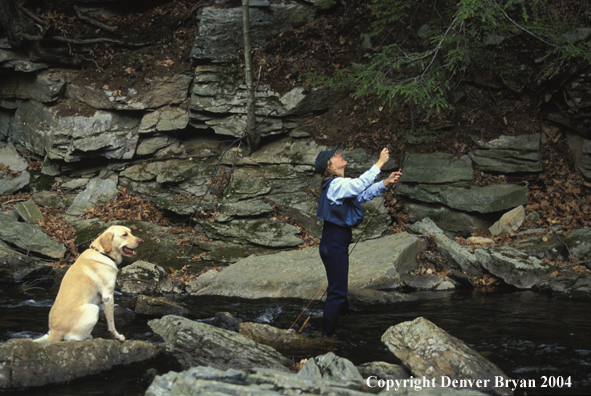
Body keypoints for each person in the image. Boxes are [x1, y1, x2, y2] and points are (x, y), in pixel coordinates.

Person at [314, 145, 402, 338]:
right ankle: (326, 335)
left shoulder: (338, 184)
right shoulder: (336, 184)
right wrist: (379, 163)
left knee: (337, 286)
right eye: (334, 156)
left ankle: (342, 312)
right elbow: (358, 185)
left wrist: (385, 183)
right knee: (337, 292)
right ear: (330, 167)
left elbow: (362, 195)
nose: (338, 154)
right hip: (333, 245)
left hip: (334, 244)